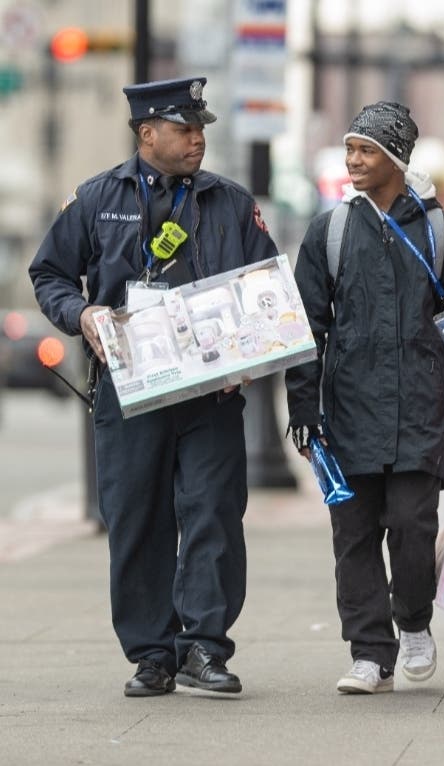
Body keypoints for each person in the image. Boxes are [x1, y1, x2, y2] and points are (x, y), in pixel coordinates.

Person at [29, 77, 280, 697]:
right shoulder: (96, 198)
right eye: (185, 128)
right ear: (147, 134)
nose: (198, 140)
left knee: (213, 513)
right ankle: (151, 654)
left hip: (211, 391)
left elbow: (266, 283)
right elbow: (50, 274)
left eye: (201, 129)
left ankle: (204, 647)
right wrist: (81, 314)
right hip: (129, 387)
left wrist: (259, 345)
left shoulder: (230, 201)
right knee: (136, 517)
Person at [284, 101, 444, 695]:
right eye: (351, 148)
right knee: (352, 536)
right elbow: (307, 331)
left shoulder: (442, 234)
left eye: (366, 150)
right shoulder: (328, 232)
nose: (353, 160)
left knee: (410, 526)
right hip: (347, 415)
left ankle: (414, 623)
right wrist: (303, 408)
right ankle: (368, 652)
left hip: (420, 414)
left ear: (396, 159)